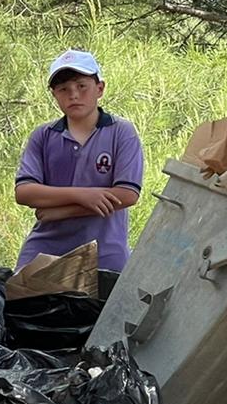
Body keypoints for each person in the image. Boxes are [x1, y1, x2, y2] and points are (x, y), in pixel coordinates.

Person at [14, 49, 144, 273]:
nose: (73, 94)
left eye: (81, 86)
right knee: (16, 300)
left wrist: (58, 211)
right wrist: (83, 195)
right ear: (54, 94)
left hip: (104, 254)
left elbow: (127, 194)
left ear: (99, 88)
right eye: (63, 89)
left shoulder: (121, 131)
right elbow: (24, 192)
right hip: (45, 250)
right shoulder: (43, 135)